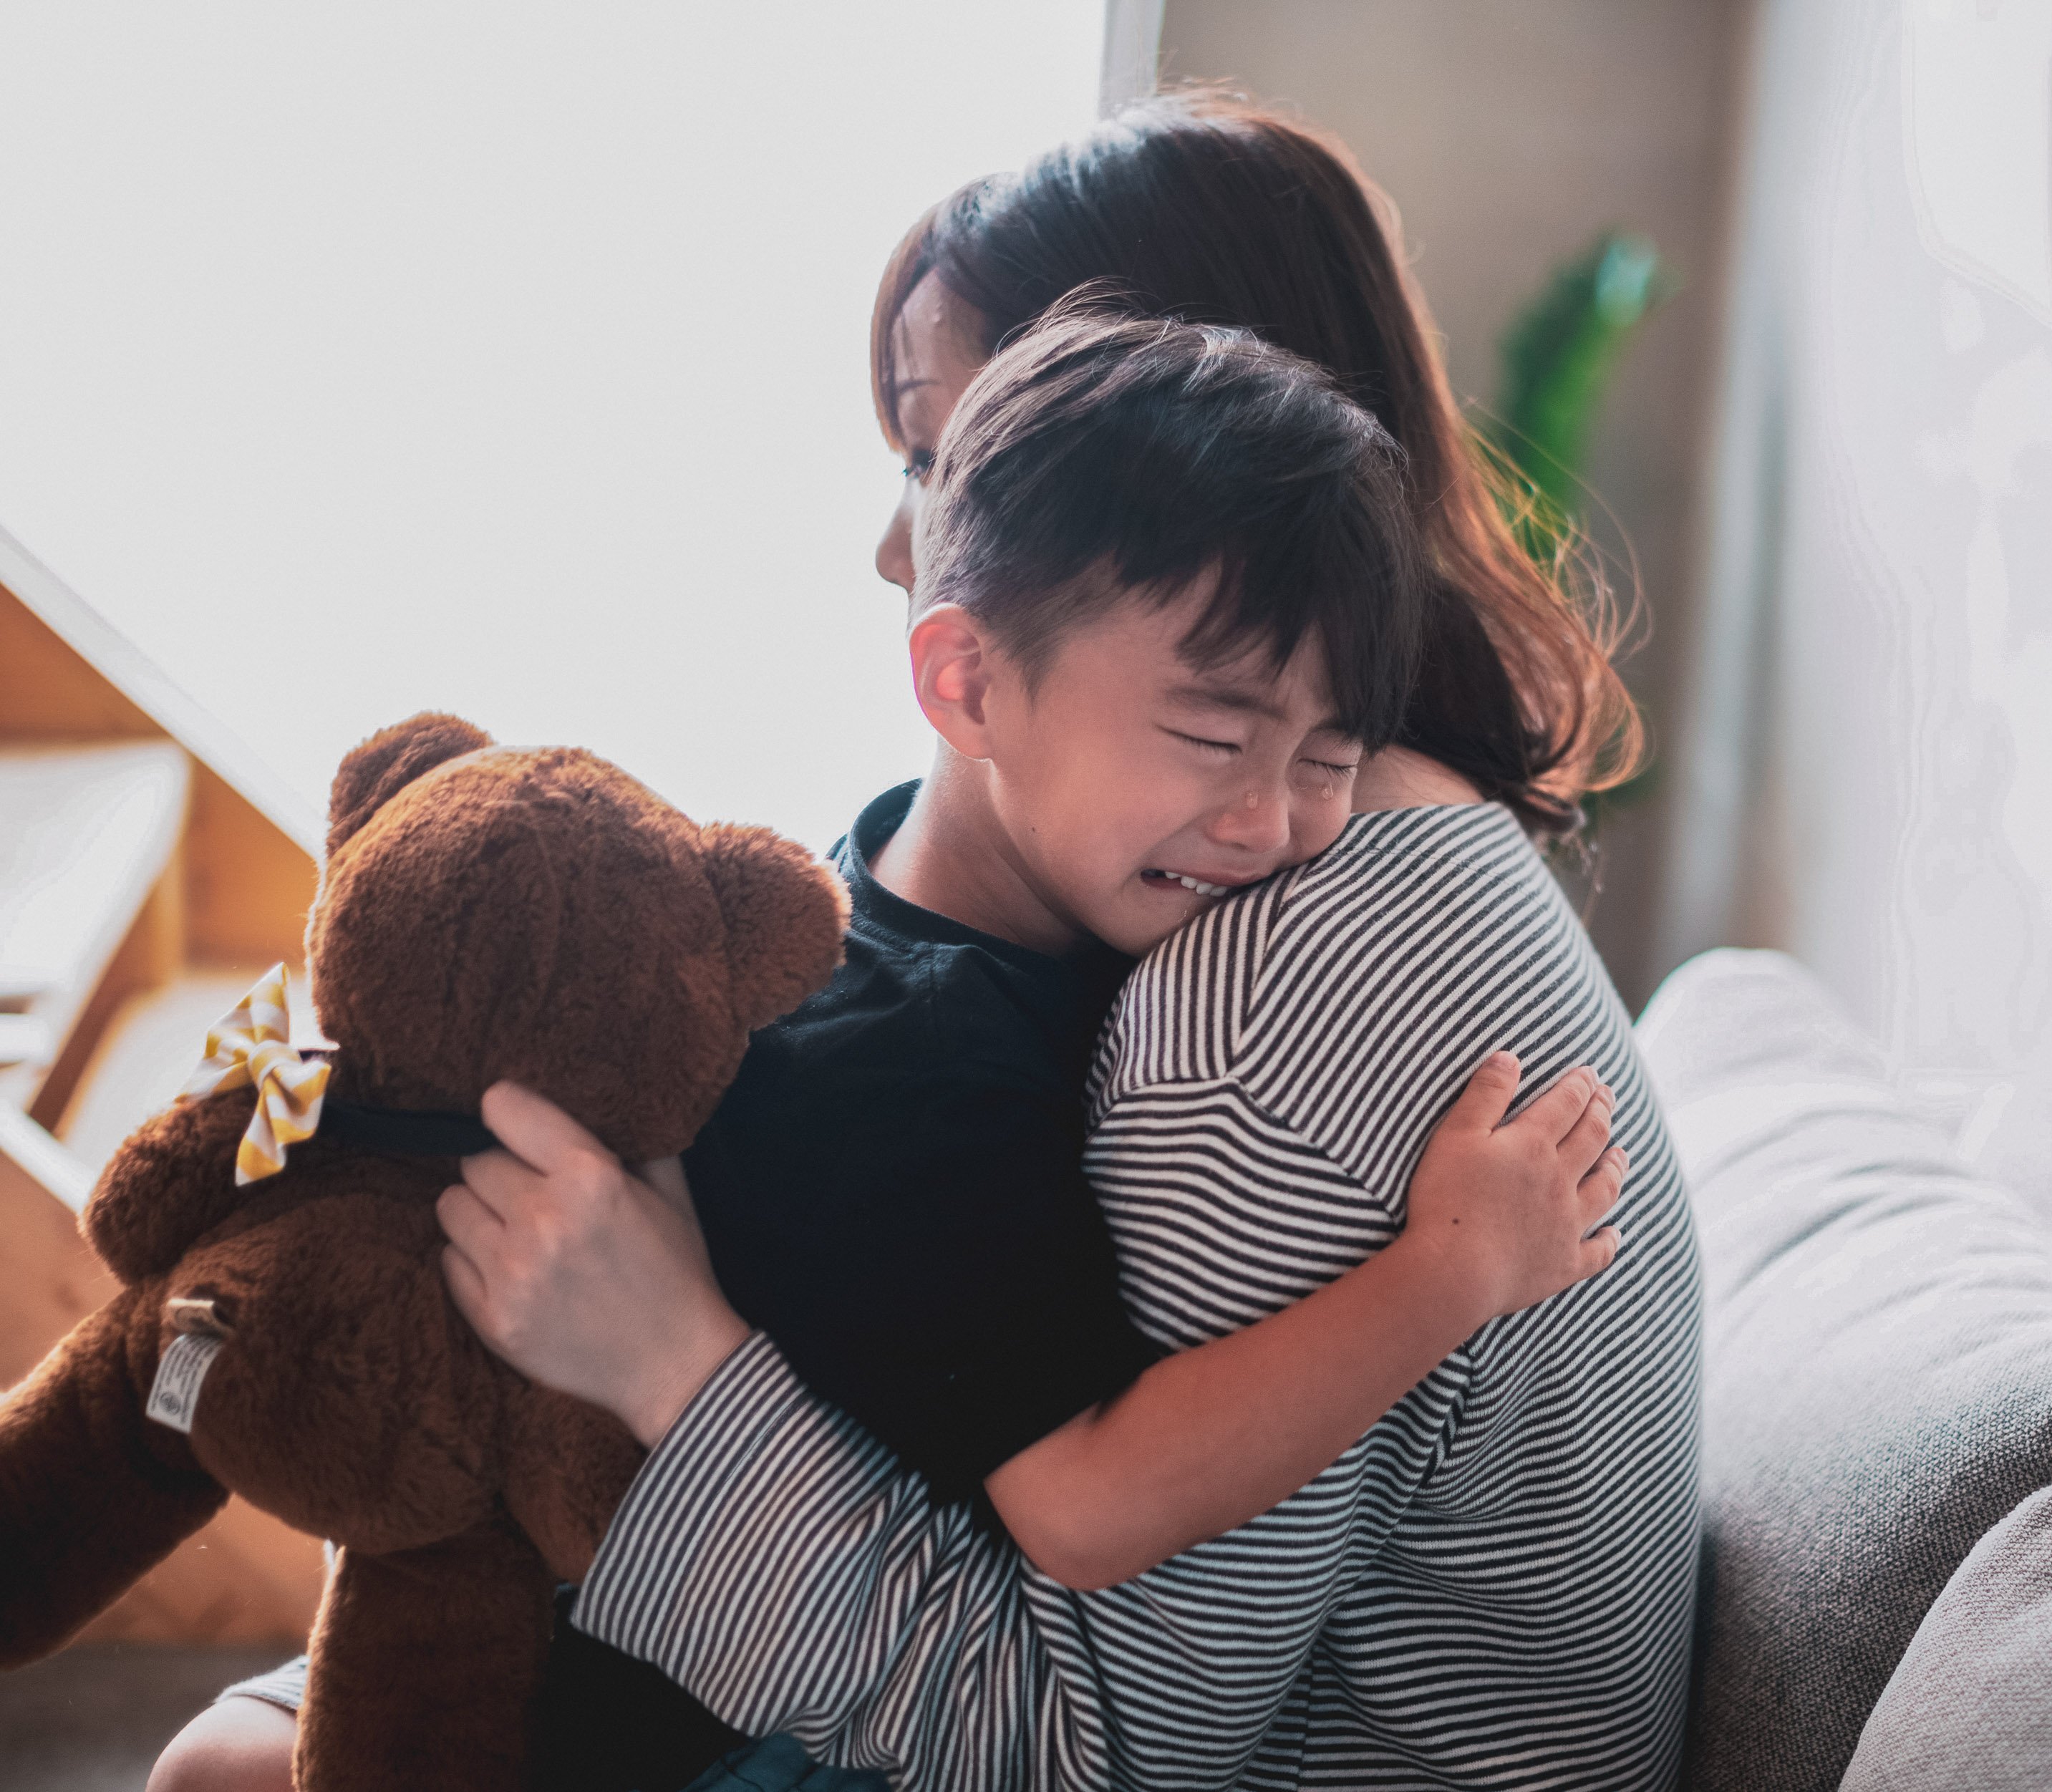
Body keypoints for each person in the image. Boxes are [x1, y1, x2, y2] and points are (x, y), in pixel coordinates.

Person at [145, 304, 1625, 1791]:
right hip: (685, 1718)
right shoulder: (906, 1082)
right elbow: (1091, 1505)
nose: (1278, 826)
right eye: (1214, 734)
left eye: (1328, 757)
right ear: (965, 683)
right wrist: (1450, 1276)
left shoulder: (949, 905)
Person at [458, 97, 1701, 1791]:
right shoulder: (1359, 840)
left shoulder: (1259, 1009)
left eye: (949, 459)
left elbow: (1075, 1747)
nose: (896, 547)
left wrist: (667, 1361)